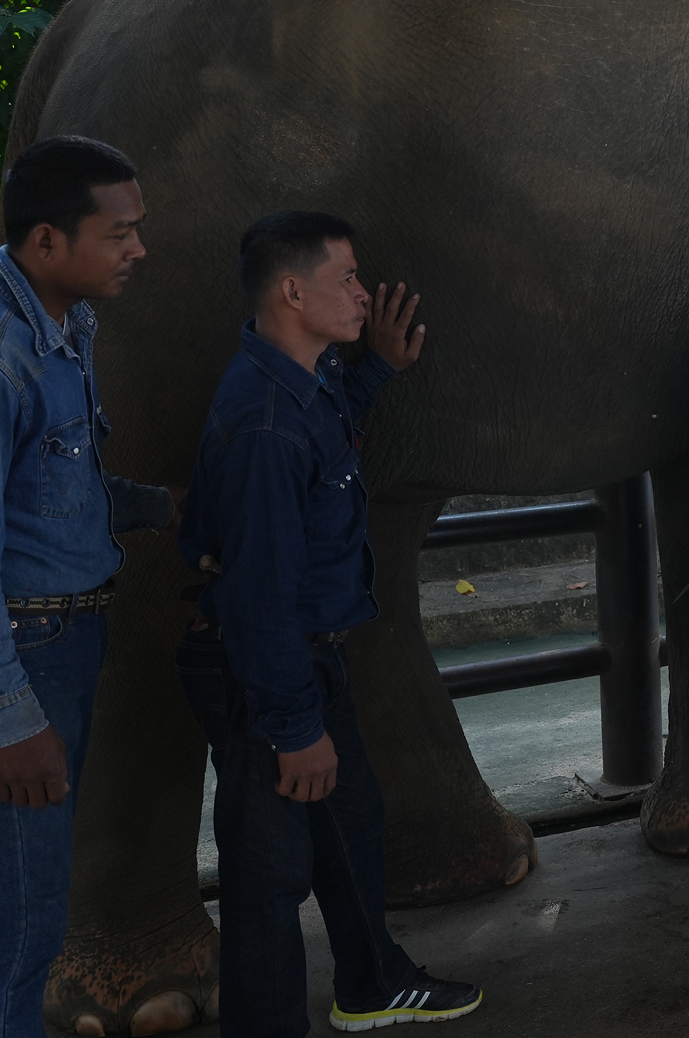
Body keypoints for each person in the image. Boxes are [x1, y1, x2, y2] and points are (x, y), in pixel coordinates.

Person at [175, 211, 481, 1035]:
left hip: (309, 659)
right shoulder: (266, 424)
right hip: (266, 674)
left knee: (350, 823)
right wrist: (292, 726)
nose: (361, 293)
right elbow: (257, 597)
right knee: (268, 875)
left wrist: (377, 367)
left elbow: (332, 427)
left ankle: (373, 981)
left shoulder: (301, 382)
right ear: (291, 290)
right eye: (346, 278)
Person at [0, 136, 180, 1038]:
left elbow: (45, 491)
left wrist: (158, 507)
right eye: (119, 232)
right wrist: (7, 718)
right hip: (19, 654)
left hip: (56, 641)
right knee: (18, 916)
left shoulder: (59, 328)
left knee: (27, 906)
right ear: (45, 241)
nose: (138, 248)